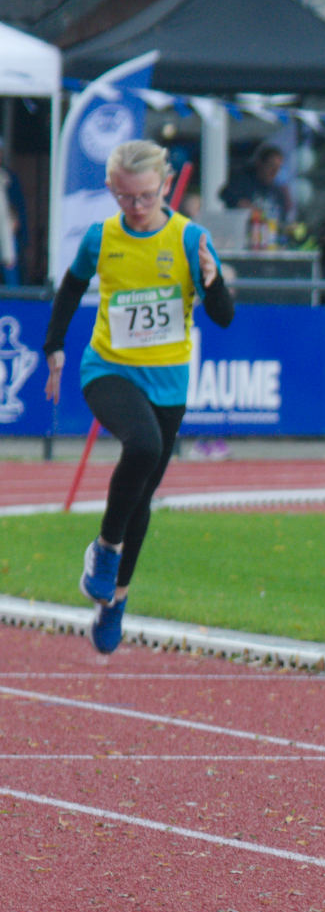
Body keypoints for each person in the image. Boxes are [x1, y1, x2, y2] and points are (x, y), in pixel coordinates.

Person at [42, 139, 235, 654]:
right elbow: (71, 287)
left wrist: (214, 282)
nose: (137, 206)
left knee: (142, 496)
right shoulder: (102, 237)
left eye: (147, 195)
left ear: (166, 186)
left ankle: (116, 599)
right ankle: (105, 548)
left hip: (168, 383)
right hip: (107, 369)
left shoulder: (191, 239)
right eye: (125, 197)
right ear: (111, 189)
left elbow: (223, 316)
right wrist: (54, 345)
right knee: (143, 446)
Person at [219, 143, 293, 225]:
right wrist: (244, 205)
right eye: (271, 166)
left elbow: (283, 219)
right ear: (260, 163)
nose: (274, 172)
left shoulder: (277, 192)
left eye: (278, 168)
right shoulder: (243, 181)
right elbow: (225, 193)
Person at [0, 151, 27, 286]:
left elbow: (18, 206)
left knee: (11, 275)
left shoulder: (9, 179)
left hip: (7, 236)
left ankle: (14, 297)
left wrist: (18, 225)